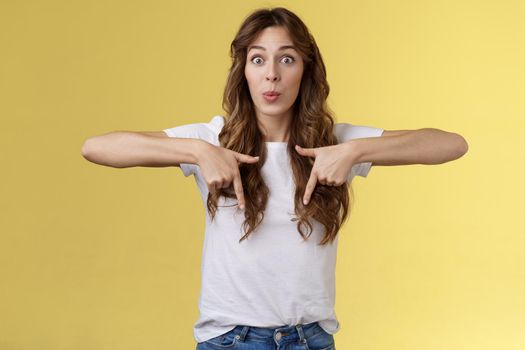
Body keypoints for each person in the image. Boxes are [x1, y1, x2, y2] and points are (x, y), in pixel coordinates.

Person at [81, 7, 468, 350]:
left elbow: (451, 144)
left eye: (287, 59)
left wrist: (356, 150)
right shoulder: (213, 139)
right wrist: (196, 151)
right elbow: (98, 147)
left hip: (311, 339)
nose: (271, 75)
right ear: (243, 71)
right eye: (257, 59)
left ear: (306, 69)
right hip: (230, 340)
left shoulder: (335, 145)